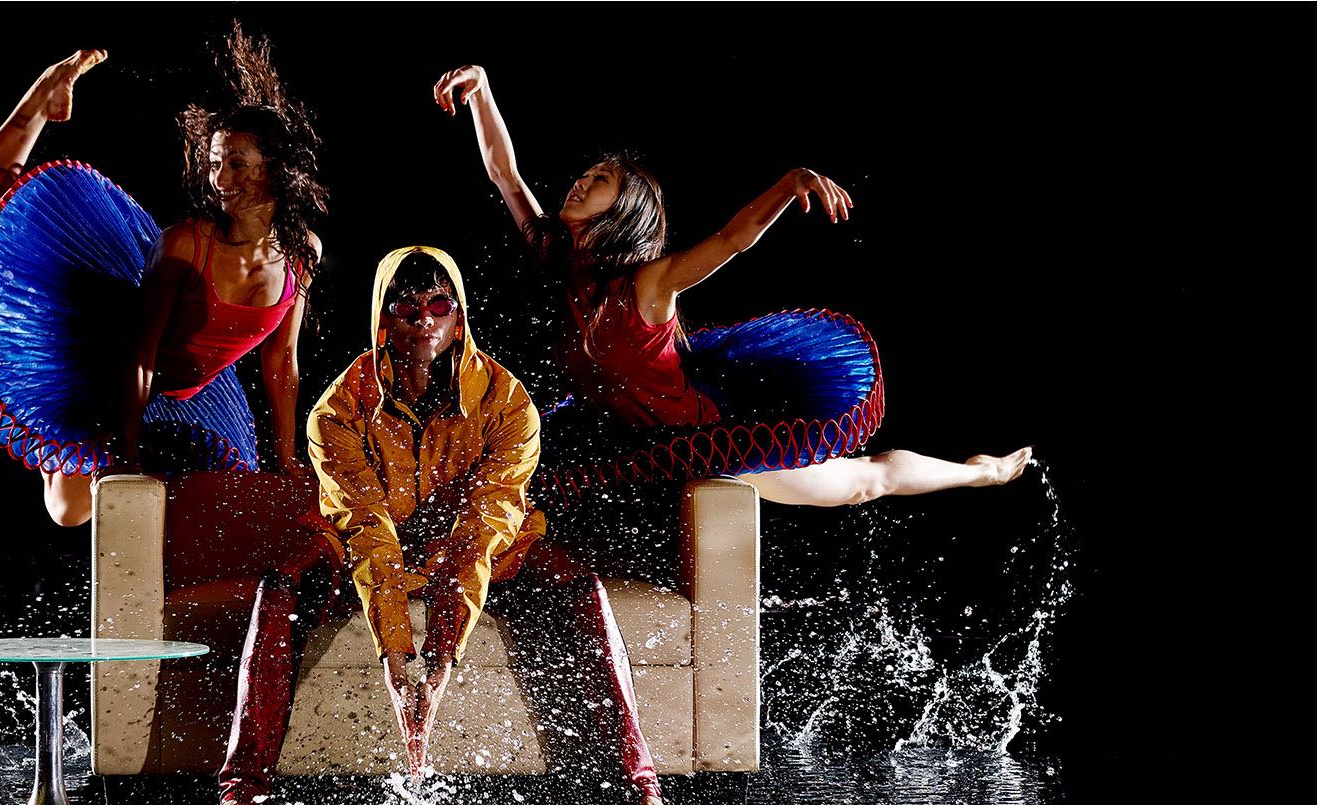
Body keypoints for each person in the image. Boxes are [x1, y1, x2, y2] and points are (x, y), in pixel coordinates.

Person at [199, 247, 679, 805]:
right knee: (279, 586)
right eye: (405, 306)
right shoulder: (337, 410)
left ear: (459, 318)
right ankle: (242, 792)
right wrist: (397, 654)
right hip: (363, 546)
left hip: (480, 549)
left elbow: (481, 530)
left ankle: (638, 786)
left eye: (438, 305)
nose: (422, 319)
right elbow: (366, 527)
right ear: (383, 318)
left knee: (580, 586)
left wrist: (443, 652)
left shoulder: (508, 402)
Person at [432, 65, 1030, 507]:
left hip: (705, 435)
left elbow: (730, 240)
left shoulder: (649, 282)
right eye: (585, 173)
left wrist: (787, 184)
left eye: (601, 178)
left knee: (862, 481)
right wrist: (483, 91)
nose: (580, 182)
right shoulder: (553, 257)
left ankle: (981, 472)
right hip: (616, 431)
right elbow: (505, 175)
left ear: (627, 208)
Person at [0, 27, 324, 526]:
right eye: (215, 163)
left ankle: (69, 449)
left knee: (68, 510)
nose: (219, 180)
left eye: (237, 165)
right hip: (101, 350)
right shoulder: (186, 245)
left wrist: (285, 459)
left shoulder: (303, 252)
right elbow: (140, 353)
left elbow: (282, 360)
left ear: (276, 170)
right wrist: (125, 453)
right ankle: (39, 101)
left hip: (187, 390)